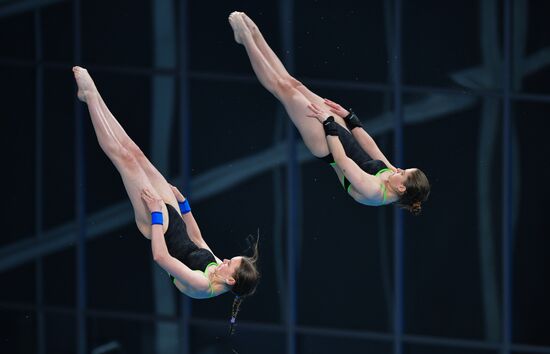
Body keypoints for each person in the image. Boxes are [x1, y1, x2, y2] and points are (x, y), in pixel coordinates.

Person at [73, 66, 259, 332]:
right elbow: (196, 238)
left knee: (123, 159)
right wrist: (183, 204)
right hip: (172, 214)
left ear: (231, 281)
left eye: (231, 264)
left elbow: (160, 257)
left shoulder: (201, 284)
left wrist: (156, 213)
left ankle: (91, 97)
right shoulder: (219, 270)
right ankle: (92, 96)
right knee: (135, 153)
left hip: (155, 224)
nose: (226, 260)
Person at [228, 12, 430, 214]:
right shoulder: (394, 177)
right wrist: (351, 120)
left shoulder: (374, 193)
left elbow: (343, 162)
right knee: (294, 84)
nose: (399, 169)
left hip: (327, 146)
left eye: (403, 172)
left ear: (401, 187)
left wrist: (329, 127)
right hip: (342, 134)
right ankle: (255, 35)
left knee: (283, 89)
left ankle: (246, 39)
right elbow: (371, 148)